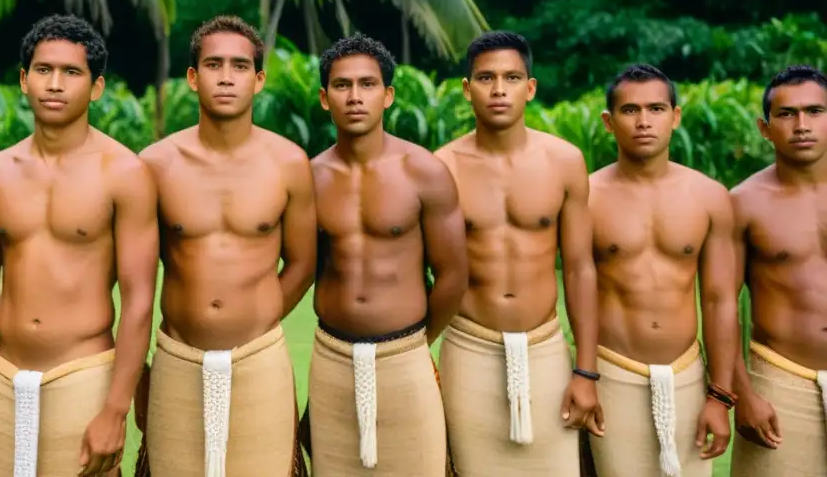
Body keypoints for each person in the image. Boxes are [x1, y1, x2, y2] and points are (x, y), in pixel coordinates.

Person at [0, 15, 159, 477]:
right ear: (24, 80)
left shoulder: (123, 173)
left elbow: (139, 300)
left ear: (96, 87)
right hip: (5, 373)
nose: (55, 83)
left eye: (72, 73)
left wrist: (115, 408)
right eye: (44, 70)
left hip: (85, 375)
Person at [133, 15, 316, 477]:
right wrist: (139, 376)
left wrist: (257, 312)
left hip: (260, 357)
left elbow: (302, 262)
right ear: (193, 78)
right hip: (177, 357)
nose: (227, 76)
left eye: (239, 66)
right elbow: (132, 278)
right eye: (214, 64)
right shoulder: (154, 164)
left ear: (258, 80)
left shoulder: (288, 162)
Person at [434, 30, 602, 477]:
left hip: (546, 348)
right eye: (486, 78)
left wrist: (586, 371)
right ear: (467, 90)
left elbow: (581, 269)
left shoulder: (565, 161)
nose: (498, 89)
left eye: (511, 77)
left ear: (530, 87)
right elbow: (419, 273)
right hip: (469, 346)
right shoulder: (442, 167)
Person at [304, 34, 467, 476]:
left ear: (388, 95)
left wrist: (412, 346)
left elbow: (453, 275)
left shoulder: (424, 171)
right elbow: (303, 266)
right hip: (331, 355)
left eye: (368, 84)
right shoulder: (310, 177)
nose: (355, 97)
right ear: (324, 98)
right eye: (342, 86)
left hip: (406, 355)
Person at [586, 63, 737, 477]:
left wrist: (720, 396)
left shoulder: (709, 196)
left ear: (675, 116)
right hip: (611, 371)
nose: (643, 121)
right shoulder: (586, 197)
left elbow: (720, 300)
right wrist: (584, 375)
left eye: (655, 108)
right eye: (629, 110)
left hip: (688, 371)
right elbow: (571, 292)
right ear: (608, 121)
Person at [729, 65, 827, 477]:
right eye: (786, 114)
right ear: (765, 129)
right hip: (778, 377)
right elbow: (720, 306)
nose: (801, 125)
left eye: (815, 111)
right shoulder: (743, 203)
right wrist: (741, 393)